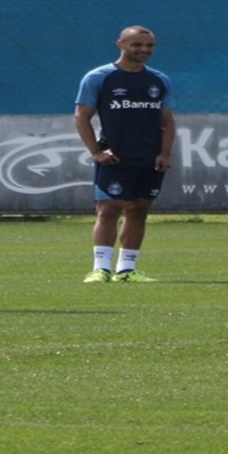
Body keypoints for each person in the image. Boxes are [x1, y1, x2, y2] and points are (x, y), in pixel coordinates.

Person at [74, 25, 177, 283]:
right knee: (108, 210)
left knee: (139, 210)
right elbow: (81, 116)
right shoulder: (100, 77)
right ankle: (100, 268)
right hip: (115, 156)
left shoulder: (159, 80)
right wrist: (96, 152)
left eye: (149, 46)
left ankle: (126, 269)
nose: (144, 50)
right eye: (137, 45)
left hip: (149, 158)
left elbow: (168, 121)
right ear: (121, 44)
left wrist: (164, 153)